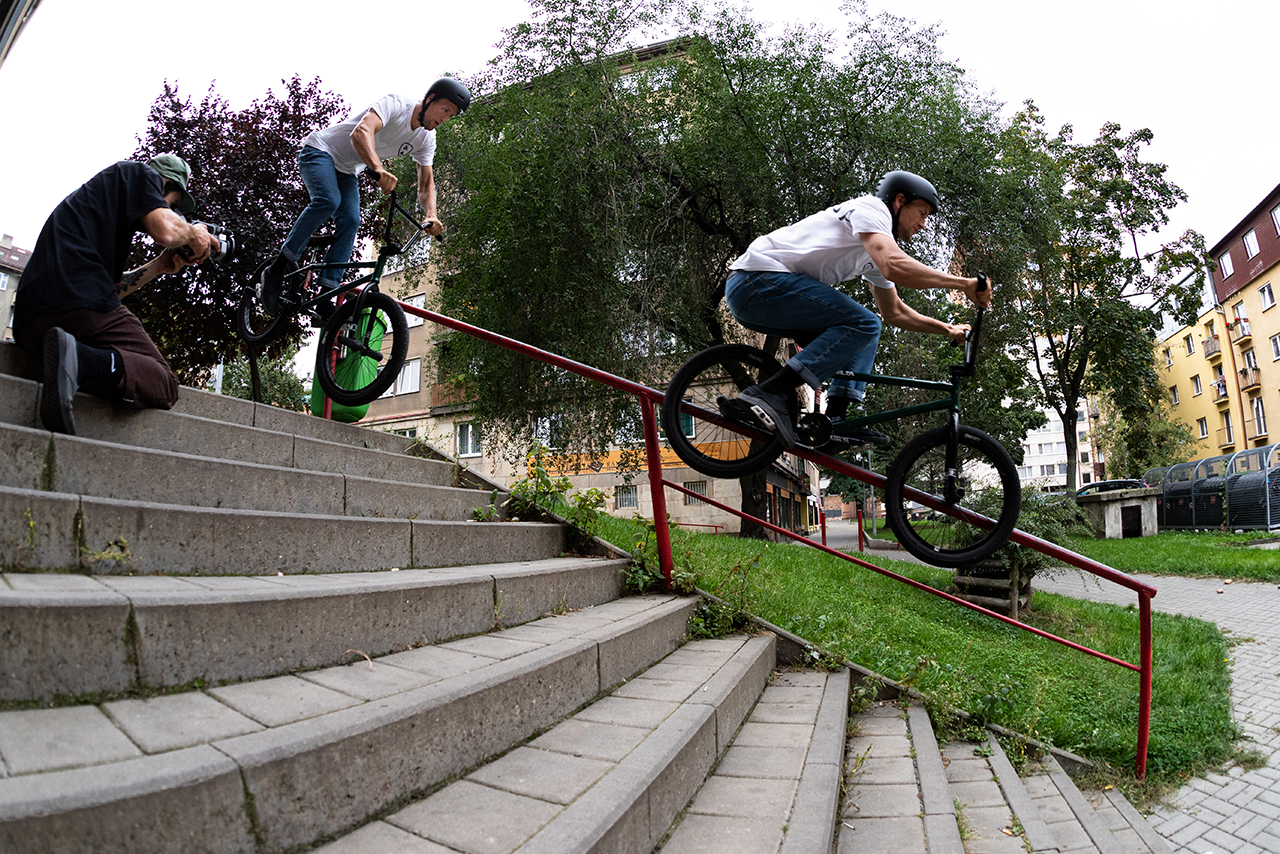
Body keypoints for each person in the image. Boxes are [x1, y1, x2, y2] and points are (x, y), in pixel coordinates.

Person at [720, 170, 992, 450]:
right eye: (921, 213)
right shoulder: (871, 210)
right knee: (863, 323)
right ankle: (769, 393)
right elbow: (894, 266)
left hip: (764, 297)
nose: (922, 224)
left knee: (866, 330)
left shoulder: (876, 249)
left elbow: (894, 312)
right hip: (757, 280)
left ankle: (835, 419)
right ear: (900, 201)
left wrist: (947, 329)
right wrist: (963, 284)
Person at [12, 154, 218, 435]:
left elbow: (109, 292)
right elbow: (166, 231)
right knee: (162, 382)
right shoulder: (140, 174)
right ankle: (80, 361)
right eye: (174, 204)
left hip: (30, 322)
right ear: (166, 187)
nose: (173, 210)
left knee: (112, 364)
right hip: (77, 305)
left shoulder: (100, 210)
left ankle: (73, 364)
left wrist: (159, 266)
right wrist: (195, 234)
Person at [258, 77, 471, 314]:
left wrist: (431, 215)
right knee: (328, 200)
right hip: (320, 151)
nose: (444, 119)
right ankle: (276, 271)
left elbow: (425, 184)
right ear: (430, 99)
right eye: (444, 110)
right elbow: (361, 132)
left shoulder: (426, 138)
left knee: (351, 221)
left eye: (450, 115)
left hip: (347, 170)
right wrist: (379, 168)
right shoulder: (397, 104)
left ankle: (326, 294)